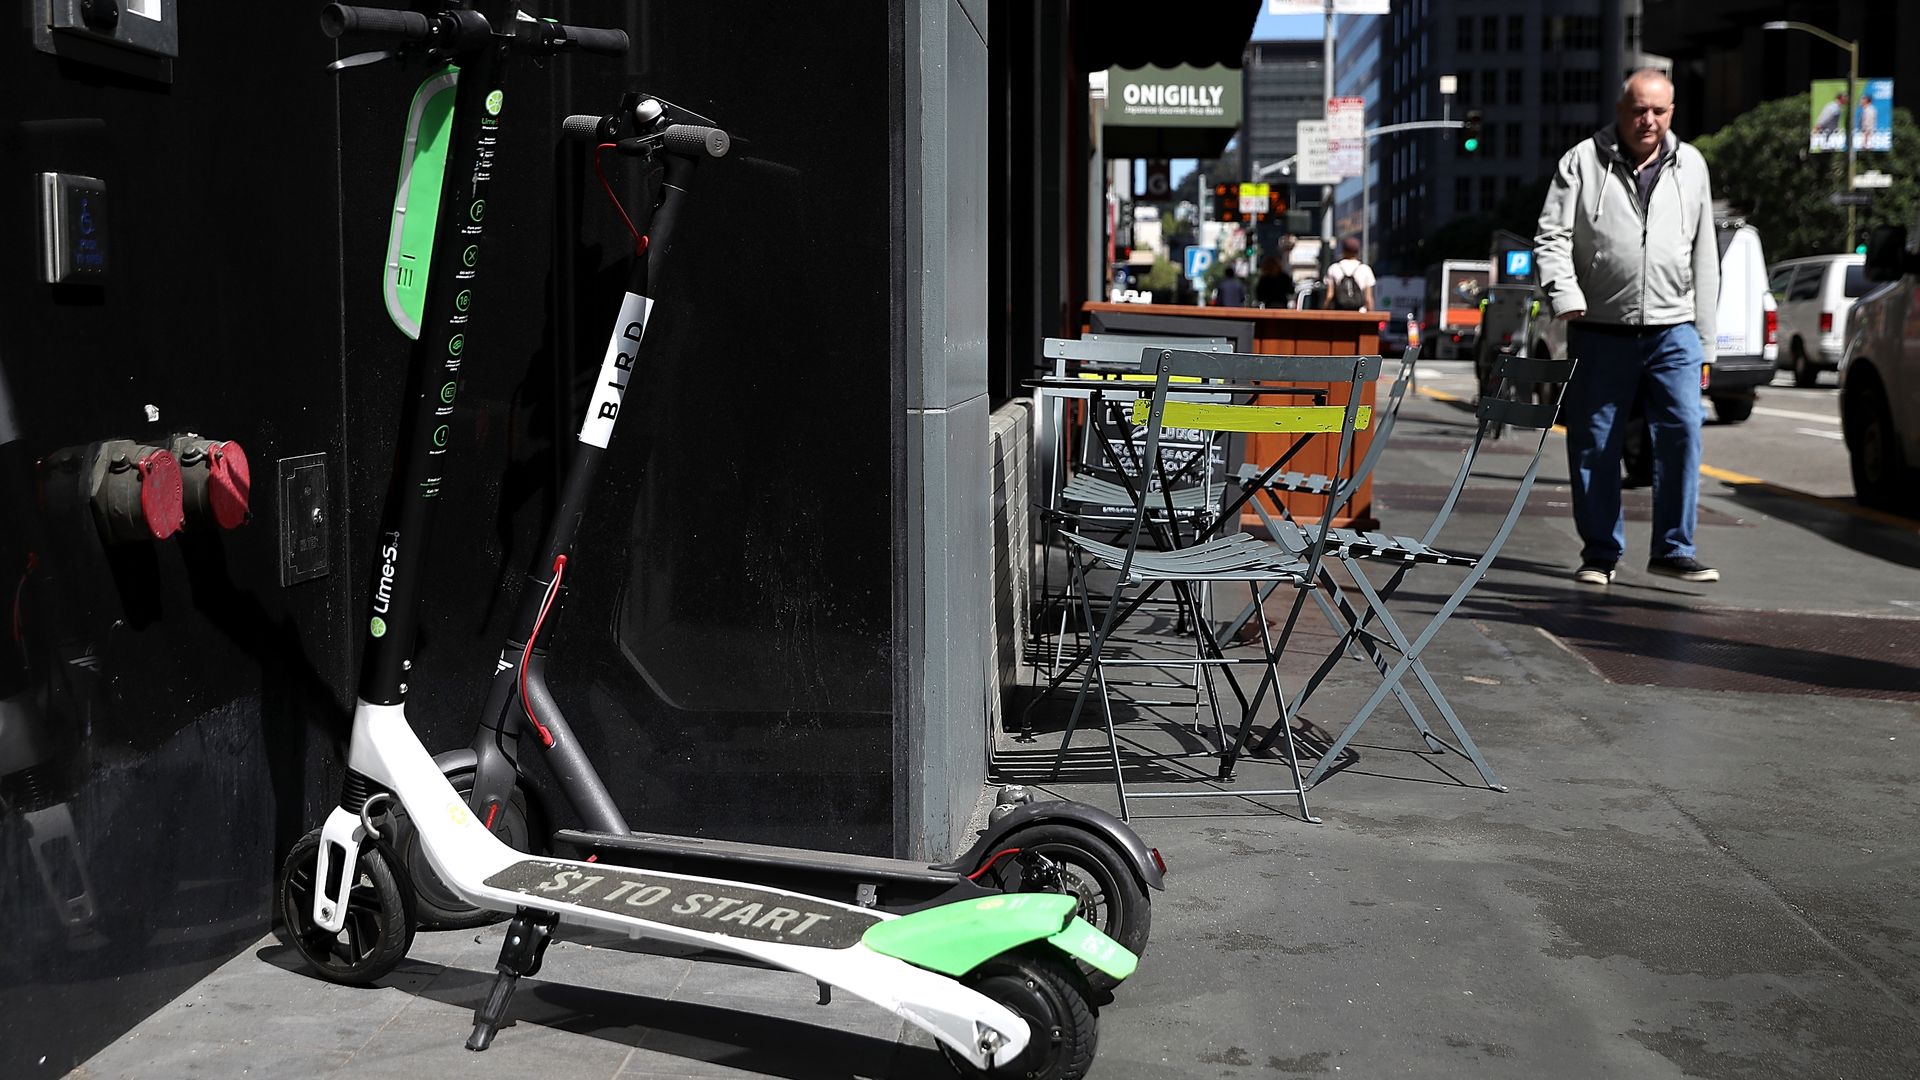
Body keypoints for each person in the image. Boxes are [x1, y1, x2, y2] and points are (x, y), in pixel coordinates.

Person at [1535, 68, 1720, 586]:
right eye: (1639, 109)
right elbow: (1550, 237)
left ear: (1672, 113)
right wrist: (1566, 295)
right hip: (1599, 328)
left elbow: (1705, 252)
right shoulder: (1580, 162)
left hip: (1673, 328)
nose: (1649, 120)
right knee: (1595, 442)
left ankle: (1674, 548)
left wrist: (1704, 337)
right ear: (1620, 111)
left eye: (1659, 111)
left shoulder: (1692, 165)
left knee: (1684, 429)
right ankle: (1600, 552)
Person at [1322, 236, 1375, 311]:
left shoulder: (1334, 268)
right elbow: (1368, 299)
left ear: (1343, 250)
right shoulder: (1365, 269)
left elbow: (1329, 296)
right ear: (1358, 251)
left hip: (1339, 313)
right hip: (1359, 314)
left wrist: (1325, 310)